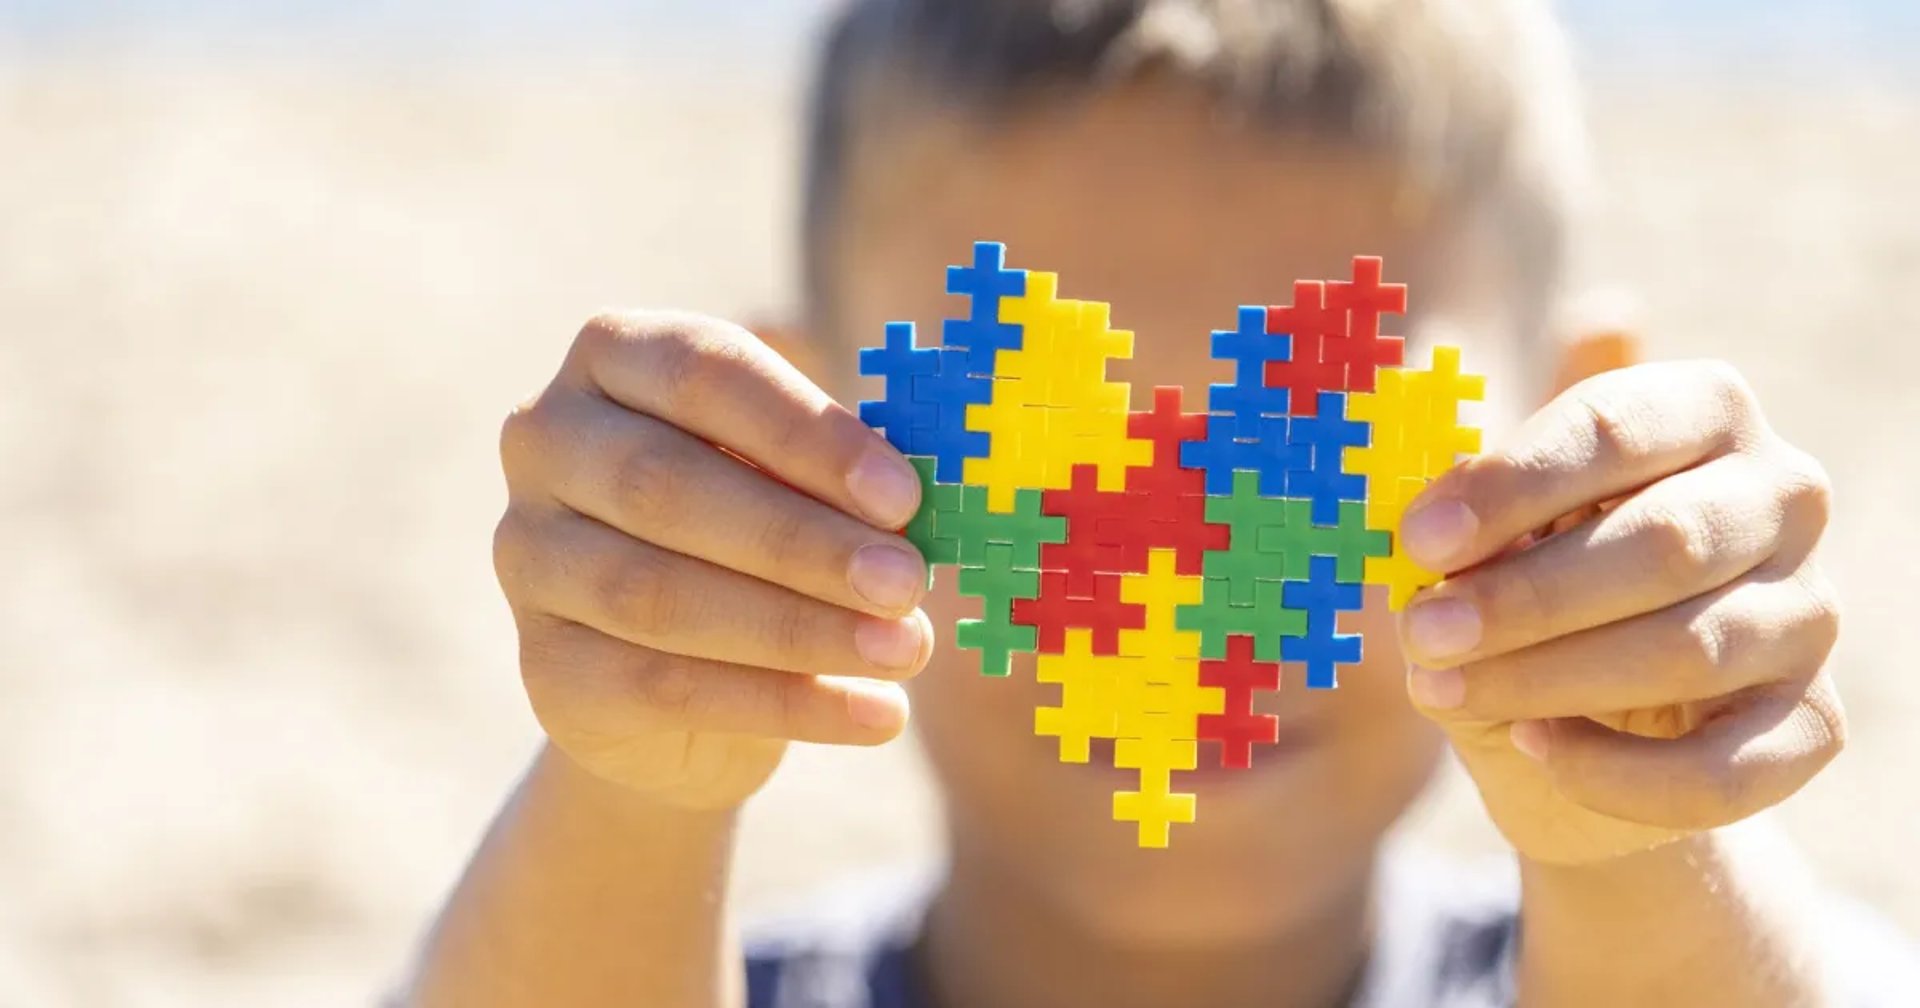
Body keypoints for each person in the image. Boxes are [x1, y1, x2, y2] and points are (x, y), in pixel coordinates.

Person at [407, 1, 1919, 1005]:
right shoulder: (634, 946)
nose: (1179, 593)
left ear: (1567, 428)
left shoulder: (1669, 950)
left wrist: (1630, 831)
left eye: (1315, 454)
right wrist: (635, 793)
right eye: (1039, 457)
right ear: (793, 440)